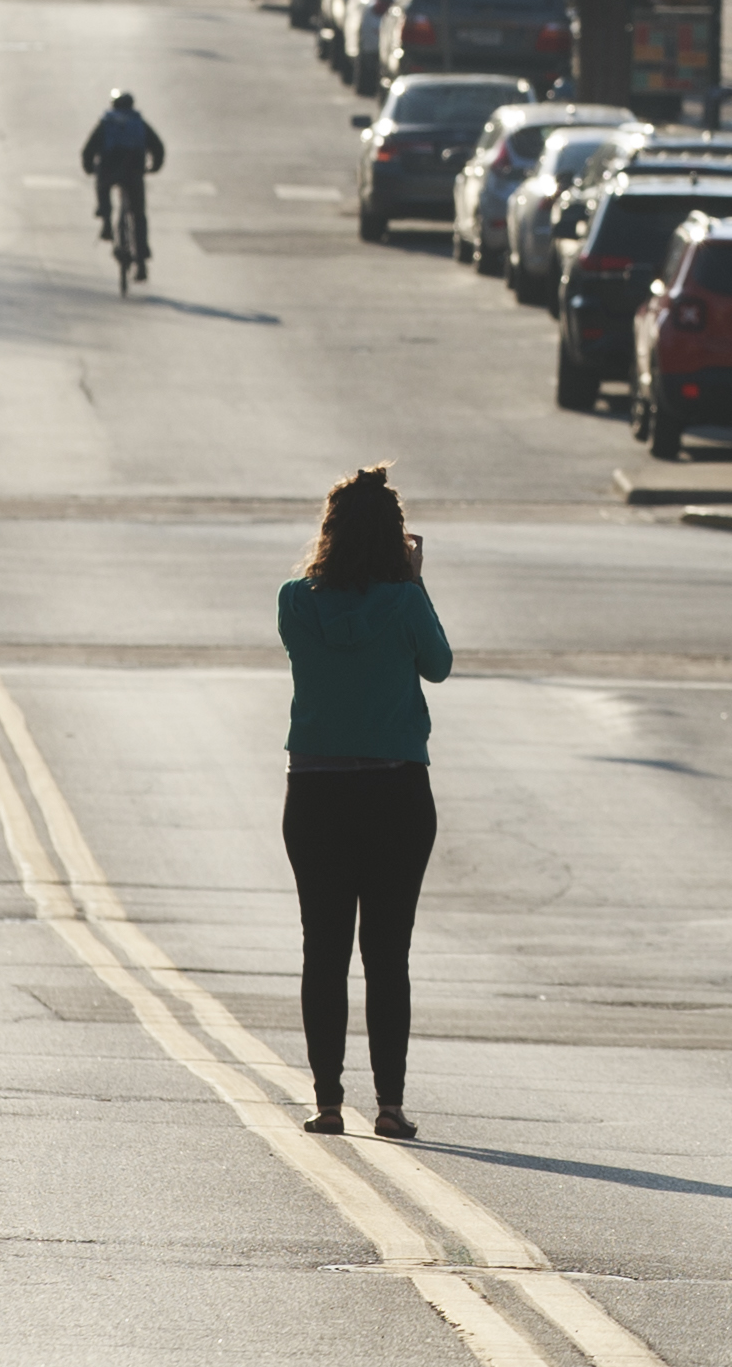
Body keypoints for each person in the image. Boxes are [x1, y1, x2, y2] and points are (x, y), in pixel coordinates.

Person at [280, 467, 452, 1138]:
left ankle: (326, 1100)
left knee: (323, 947)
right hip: (395, 790)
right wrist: (411, 580)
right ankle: (390, 1105)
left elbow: (316, 649)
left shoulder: (295, 602)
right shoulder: (405, 602)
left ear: (328, 534)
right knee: (388, 953)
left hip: (317, 789)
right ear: (393, 541)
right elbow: (437, 665)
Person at [82, 90, 167, 257]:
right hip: (134, 170)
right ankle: (141, 253)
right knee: (138, 214)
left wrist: (89, 168)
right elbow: (158, 146)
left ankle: (106, 219)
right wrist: (155, 166)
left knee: (102, 186)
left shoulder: (107, 122)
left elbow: (88, 150)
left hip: (109, 168)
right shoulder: (139, 122)